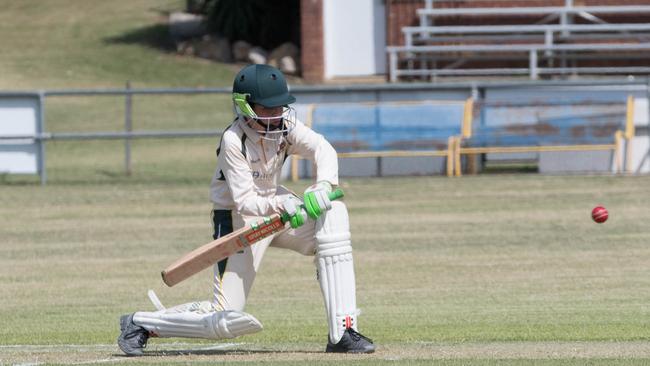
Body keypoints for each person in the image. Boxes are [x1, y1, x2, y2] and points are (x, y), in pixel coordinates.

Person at [117, 64, 375, 356]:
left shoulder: (284, 127)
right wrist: (283, 203)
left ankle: (343, 332)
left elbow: (323, 149)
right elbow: (246, 202)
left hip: (280, 211)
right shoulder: (233, 141)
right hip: (239, 221)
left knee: (334, 216)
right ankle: (140, 323)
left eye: (280, 106)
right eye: (268, 108)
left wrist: (322, 186)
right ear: (245, 106)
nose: (277, 114)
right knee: (224, 320)